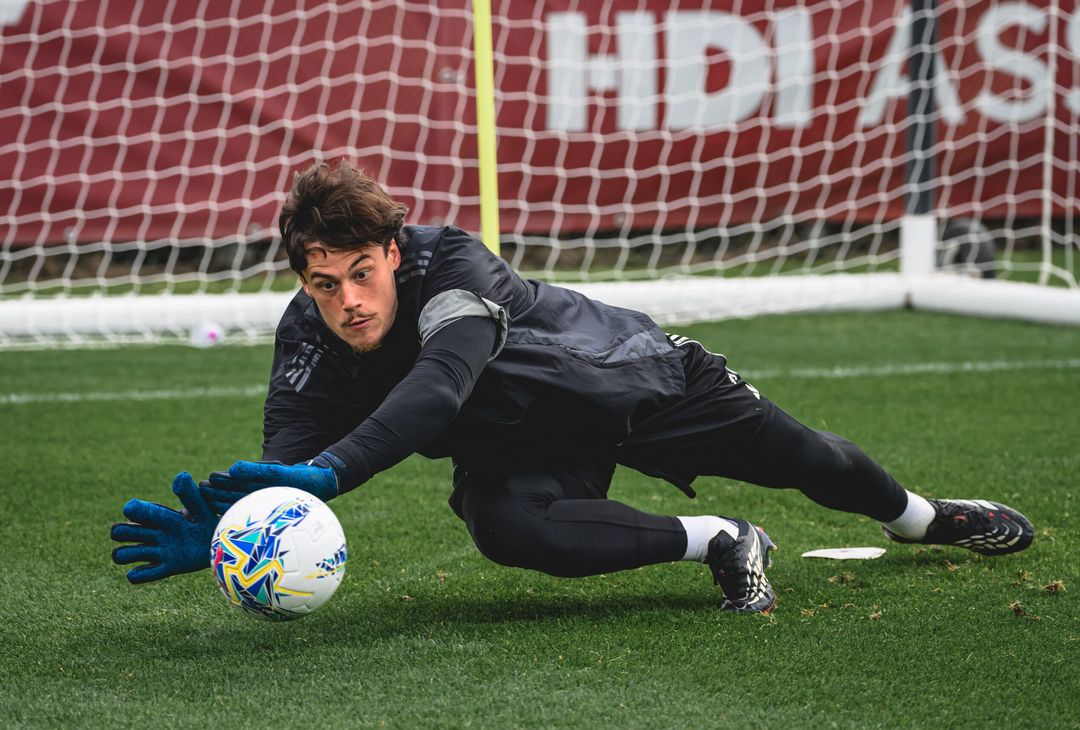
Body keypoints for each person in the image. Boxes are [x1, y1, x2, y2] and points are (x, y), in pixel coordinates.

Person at [110, 160, 1034, 614]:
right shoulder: (308, 335)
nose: (348, 303)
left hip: (630, 382)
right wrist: (243, 529)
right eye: (323, 284)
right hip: (523, 447)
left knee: (810, 457)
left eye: (362, 273)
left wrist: (332, 473)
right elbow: (287, 455)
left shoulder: (456, 268)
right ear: (301, 279)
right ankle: (719, 541)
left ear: (393, 252)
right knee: (508, 528)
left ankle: (921, 517)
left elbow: (437, 387)